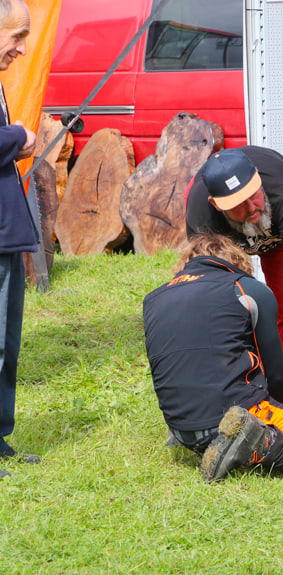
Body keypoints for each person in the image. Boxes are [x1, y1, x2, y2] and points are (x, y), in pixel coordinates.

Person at [142, 234, 283, 482]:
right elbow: (275, 372)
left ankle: (227, 443)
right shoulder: (247, 289)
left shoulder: (153, 299)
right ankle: (263, 444)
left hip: (181, 428)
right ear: (236, 259)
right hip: (236, 414)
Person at [185, 146, 283, 376]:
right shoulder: (201, 214)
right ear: (216, 204)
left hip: (274, 238)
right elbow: (209, 296)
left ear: (258, 178)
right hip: (225, 240)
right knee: (229, 307)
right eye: (238, 204)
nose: (251, 208)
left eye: (253, 195)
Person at [0, 0, 40, 479]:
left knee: (8, 343)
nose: (23, 48)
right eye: (17, 35)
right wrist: (18, 136)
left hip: (7, 234)